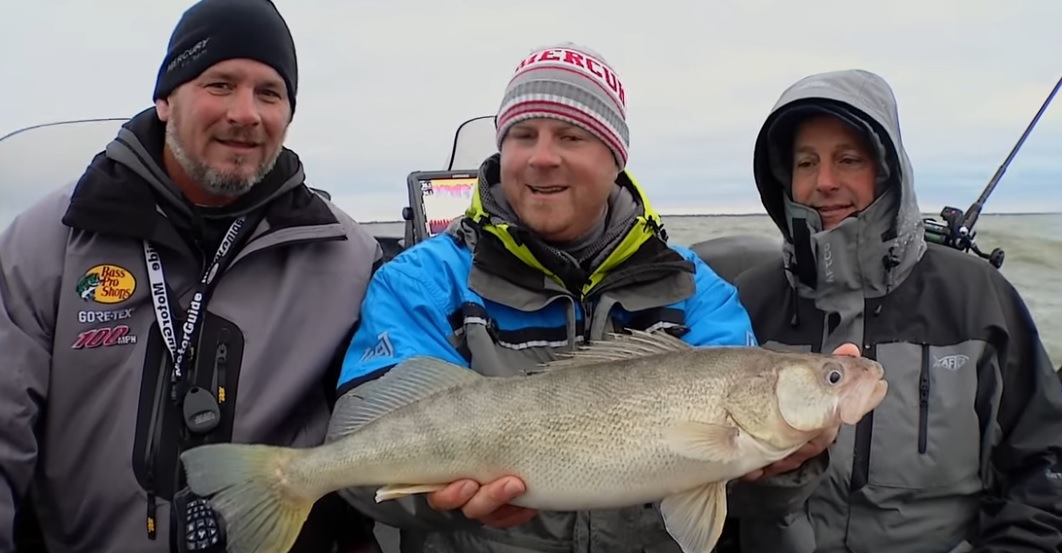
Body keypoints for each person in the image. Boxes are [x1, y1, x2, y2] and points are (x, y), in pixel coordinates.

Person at [328, 42, 851, 553]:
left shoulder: (695, 290)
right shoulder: (419, 282)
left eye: (572, 136)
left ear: (615, 159)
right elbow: (359, 459)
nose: (542, 158)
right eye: (523, 135)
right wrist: (437, 502)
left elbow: (740, 493)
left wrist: (792, 461)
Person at [0, 0, 384, 551]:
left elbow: (384, 430)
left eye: (269, 93)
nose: (246, 113)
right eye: (220, 84)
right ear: (165, 98)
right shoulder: (45, 245)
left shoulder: (349, 259)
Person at [731, 68, 1062, 553]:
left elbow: (1043, 465)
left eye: (848, 159)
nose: (824, 182)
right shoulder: (743, 303)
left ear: (888, 172)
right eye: (806, 163)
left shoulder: (977, 298)